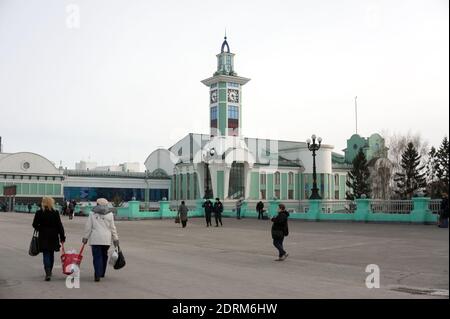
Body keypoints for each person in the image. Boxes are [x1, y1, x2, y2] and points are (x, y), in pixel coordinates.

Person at [82, 198, 119, 282]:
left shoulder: (92, 213)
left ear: (97, 204)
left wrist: (85, 237)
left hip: (95, 239)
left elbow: (88, 226)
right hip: (106, 239)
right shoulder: (110, 214)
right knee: (104, 255)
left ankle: (97, 274)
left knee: (97, 257)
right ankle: (102, 273)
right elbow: (113, 228)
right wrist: (115, 239)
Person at [32, 197, 66, 281]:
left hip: (43, 235)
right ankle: (50, 271)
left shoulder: (39, 212)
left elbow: (34, 224)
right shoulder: (55, 212)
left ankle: (47, 272)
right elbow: (59, 225)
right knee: (51, 253)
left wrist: (40, 228)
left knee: (46, 253)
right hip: (53, 235)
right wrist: (62, 236)